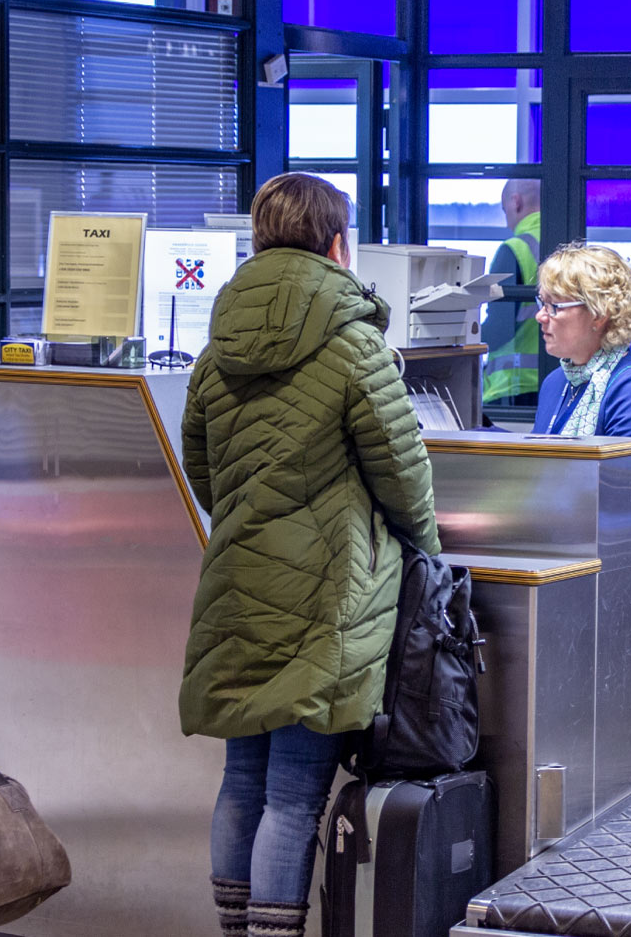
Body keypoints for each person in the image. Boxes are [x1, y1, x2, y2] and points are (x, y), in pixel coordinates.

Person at [179, 172, 442, 937]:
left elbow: (203, 469)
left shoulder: (214, 349)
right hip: (327, 598)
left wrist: (251, 515)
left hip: (235, 584)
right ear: (337, 244)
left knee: (241, 784)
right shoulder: (356, 345)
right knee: (295, 796)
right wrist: (424, 549)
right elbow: (403, 474)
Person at [533, 243, 631, 537]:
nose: (541, 316)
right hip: (573, 540)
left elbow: (621, 501)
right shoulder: (557, 383)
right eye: (541, 304)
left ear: (598, 315)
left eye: (554, 307)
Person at [483, 178, 543, 407]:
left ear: (515, 202)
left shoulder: (514, 249)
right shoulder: (568, 246)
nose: (506, 219)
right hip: (558, 384)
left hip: (512, 387)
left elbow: (498, 330)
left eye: (503, 208)